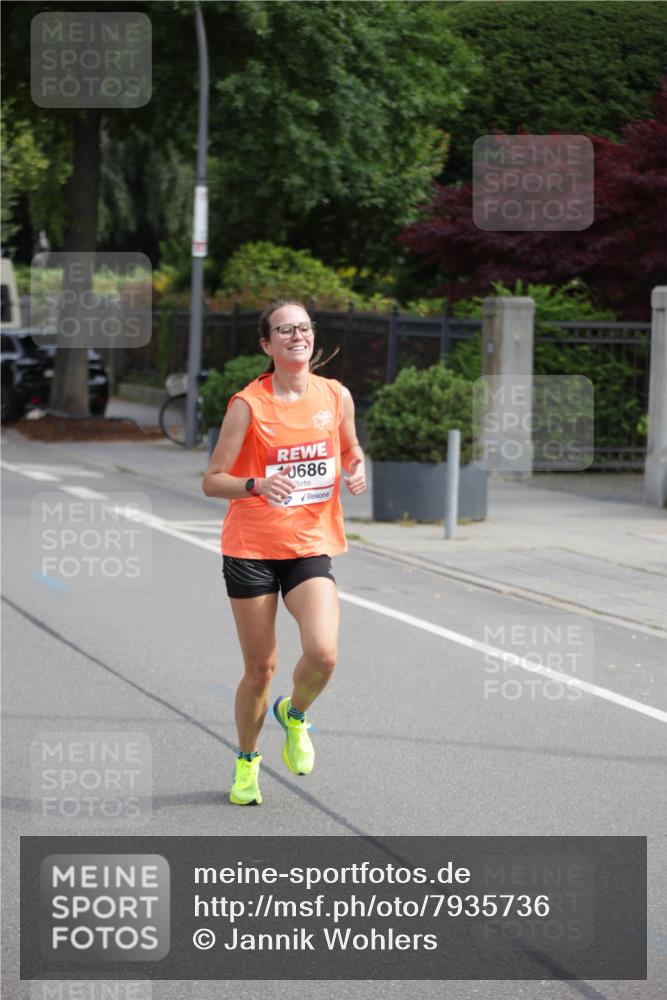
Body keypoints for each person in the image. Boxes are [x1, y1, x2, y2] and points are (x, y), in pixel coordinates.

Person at [202, 299, 366, 805]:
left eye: (304, 328)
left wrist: (357, 467)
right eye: (285, 330)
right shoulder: (248, 405)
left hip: (308, 545)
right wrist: (256, 484)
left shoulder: (335, 395)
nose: (297, 336)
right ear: (267, 344)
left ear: (313, 337)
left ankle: (294, 714)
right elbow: (212, 481)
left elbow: (349, 449)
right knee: (260, 669)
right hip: (251, 548)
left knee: (324, 653)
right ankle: (247, 762)